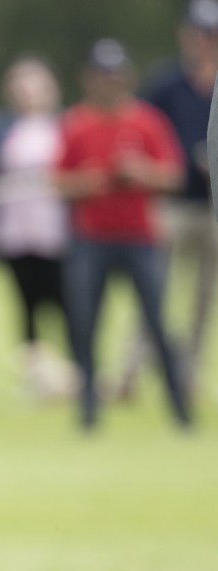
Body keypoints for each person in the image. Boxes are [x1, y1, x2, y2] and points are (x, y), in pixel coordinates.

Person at [54, 39, 191, 428]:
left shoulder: (146, 121)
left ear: (126, 77)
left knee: (159, 323)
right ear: (88, 79)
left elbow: (173, 176)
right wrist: (92, 181)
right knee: (84, 324)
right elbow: (58, 182)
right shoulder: (76, 123)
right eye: (101, 75)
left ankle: (179, 409)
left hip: (139, 238)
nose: (109, 83)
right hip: (91, 238)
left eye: (115, 75)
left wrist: (140, 172)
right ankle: (88, 412)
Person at [119, 0, 218, 399]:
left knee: (202, 301)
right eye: (200, 34)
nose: (205, 42)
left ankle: (186, 379)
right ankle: (130, 374)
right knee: (152, 291)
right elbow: (139, 134)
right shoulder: (166, 84)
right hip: (172, 205)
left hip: (212, 209)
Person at [0, 57, 74, 400]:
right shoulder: (0, 129)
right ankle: (34, 376)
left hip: (57, 233)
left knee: (66, 303)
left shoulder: (65, 124)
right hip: (15, 233)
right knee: (26, 304)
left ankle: (75, 372)